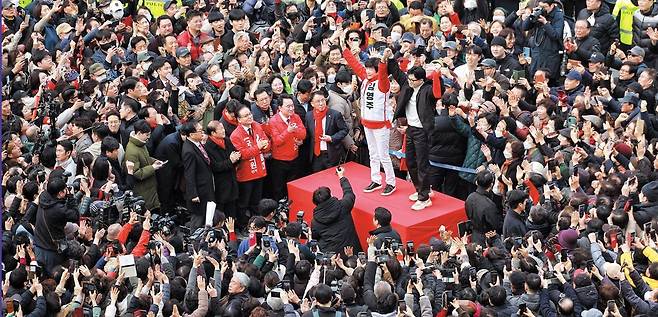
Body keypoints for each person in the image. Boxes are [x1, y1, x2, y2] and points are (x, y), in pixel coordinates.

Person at [343, 44, 397, 195]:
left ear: (377, 70)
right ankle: (376, 179)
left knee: (383, 155)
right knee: (373, 154)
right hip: (367, 123)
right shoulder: (365, 79)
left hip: (381, 125)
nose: (367, 71)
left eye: (370, 69)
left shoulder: (383, 83)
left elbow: (383, 73)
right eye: (366, 68)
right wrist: (344, 49)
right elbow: (355, 64)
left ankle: (391, 182)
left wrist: (384, 60)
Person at [390, 64, 442, 211]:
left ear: (421, 80)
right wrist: (388, 59)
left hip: (423, 131)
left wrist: (437, 75)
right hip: (410, 129)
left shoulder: (427, 90)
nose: (410, 82)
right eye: (409, 79)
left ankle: (424, 198)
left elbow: (438, 93)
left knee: (422, 164)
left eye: (413, 80)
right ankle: (421, 189)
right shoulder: (407, 86)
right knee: (410, 162)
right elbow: (396, 72)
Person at [231, 104, 270, 232]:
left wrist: (265, 146)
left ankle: (257, 224)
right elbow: (242, 154)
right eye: (246, 115)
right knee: (243, 203)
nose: (249, 117)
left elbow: (265, 140)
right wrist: (258, 147)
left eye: (250, 114)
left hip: (259, 170)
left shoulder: (257, 126)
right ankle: (243, 226)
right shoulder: (235, 135)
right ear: (239, 119)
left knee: (256, 201)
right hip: (246, 174)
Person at [33, 175, 83, 273]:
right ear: (60, 193)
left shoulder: (43, 196)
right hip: (52, 250)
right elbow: (76, 215)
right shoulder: (59, 210)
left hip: (39, 243)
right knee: (54, 275)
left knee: (41, 274)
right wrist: (71, 197)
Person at [311, 166, 363, 254]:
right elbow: (349, 192)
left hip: (331, 255)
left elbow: (315, 237)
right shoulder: (343, 205)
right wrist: (341, 177)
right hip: (351, 251)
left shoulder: (315, 222)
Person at [268, 94, 307, 200]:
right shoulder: (273, 121)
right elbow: (277, 141)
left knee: (292, 186)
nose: (291, 108)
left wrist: (295, 131)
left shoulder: (296, 117)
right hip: (279, 161)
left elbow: (303, 134)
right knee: (279, 189)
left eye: (292, 106)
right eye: (288, 106)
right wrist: (288, 131)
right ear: (280, 107)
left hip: (294, 158)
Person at [123, 120, 165, 211]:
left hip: (149, 189)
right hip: (143, 191)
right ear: (139, 133)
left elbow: (145, 158)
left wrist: (154, 161)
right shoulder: (132, 151)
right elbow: (136, 173)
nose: (149, 137)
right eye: (147, 134)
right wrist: (153, 167)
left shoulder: (141, 144)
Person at [521, 0, 565, 84]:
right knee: (534, 81)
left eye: (544, 7)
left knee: (548, 83)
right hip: (537, 54)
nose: (543, 10)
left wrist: (545, 23)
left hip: (550, 56)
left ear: (552, 5)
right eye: (541, 7)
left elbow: (556, 35)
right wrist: (532, 15)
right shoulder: (539, 13)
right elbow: (524, 27)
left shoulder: (558, 15)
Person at [305, 90, 349, 172]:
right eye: (318, 101)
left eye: (323, 100)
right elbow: (307, 133)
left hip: (331, 154)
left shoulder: (335, 114)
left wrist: (332, 138)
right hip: (316, 155)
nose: (321, 103)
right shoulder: (309, 115)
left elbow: (344, 129)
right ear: (312, 104)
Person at [182, 121, 215, 229]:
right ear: (191, 135)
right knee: (198, 219)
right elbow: (189, 174)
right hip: (199, 191)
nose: (203, 133)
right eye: (200, 131)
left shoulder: (197, 143)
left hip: (206, 186)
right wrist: (193, 194)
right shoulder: (189, 151)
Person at [205, 120, 240, 221]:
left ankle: (232, 230)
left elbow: (235, 153)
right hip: (220, 184)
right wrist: (230, 161)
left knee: (232, 208)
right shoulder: (208, 147)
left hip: (232, 180)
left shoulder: (227, 141)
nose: (224, 131)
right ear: (213, 133)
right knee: (221, 210)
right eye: (220, 129)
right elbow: (215, 167)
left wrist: (237, 158)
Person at [465, 170, 503, 245]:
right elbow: (497, 225)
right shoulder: (489, 205)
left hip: (475, 235)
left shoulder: (470, 197)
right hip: (487, 239)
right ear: (491, 184)